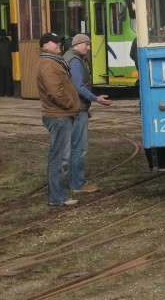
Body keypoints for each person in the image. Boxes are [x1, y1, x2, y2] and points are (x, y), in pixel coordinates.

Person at [63, 33, 112, 193]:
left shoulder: (68, 56)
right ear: (78, 44)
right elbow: (78, 86)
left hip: (76, 107)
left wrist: (86, 106)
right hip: (77, 110)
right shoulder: (76, 61)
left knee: (74, 146)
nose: (89, 48)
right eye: (87, 44)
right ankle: (78, 184)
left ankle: (75, 181)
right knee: (79, 147)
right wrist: (96, 99)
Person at [37, 32, 81, 206]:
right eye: (54, 42)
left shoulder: (53, 62)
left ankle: (58, 196)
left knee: (60, 156)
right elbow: (55, 91)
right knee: (59, 158)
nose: (58, 45)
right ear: (44, 45)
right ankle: (57, 198)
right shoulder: (48, 64)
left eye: (59, 42)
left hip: (61, 114)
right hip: (59, 115)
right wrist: (71, 105)